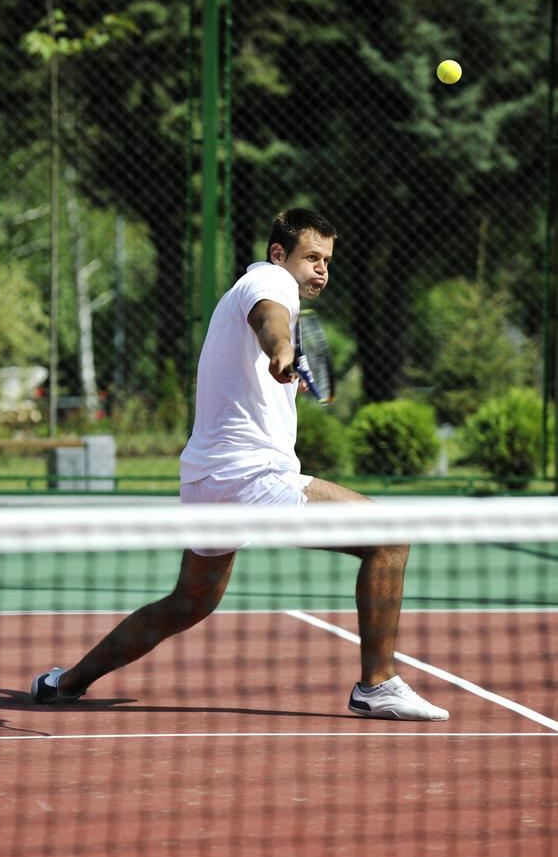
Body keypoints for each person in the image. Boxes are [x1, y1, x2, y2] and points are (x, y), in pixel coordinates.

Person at [32, 208, 448, 721]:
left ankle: (65, 682)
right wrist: (278, 349)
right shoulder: (270, 282)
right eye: (311, 257)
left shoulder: (251, 293)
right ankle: (377, 684)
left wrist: (281, 359)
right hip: (250, 477)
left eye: (327, 261)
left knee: (189, 601)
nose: (321, 269)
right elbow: (269, 317)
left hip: (207, 480)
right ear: (279, 253)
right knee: (388, 536)